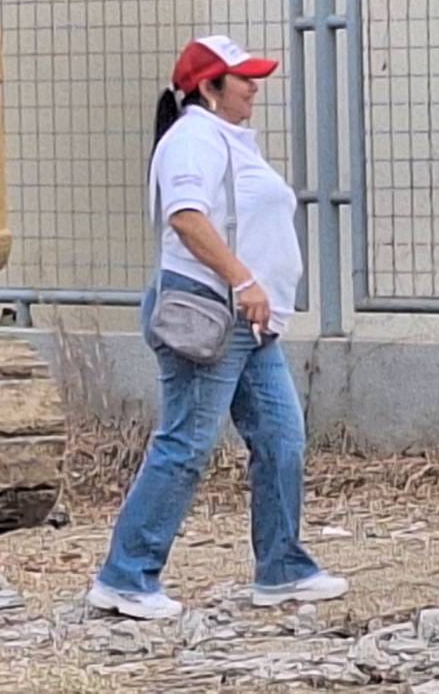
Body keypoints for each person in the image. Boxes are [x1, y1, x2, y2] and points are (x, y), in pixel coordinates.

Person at [88, 36, 348, 620]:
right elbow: (186, 217)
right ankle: (126, 576)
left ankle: (282, 568)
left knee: (281, 439)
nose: (254, 87)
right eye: (242, 78)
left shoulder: (223, 139)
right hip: (213, 315)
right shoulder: (194, 140)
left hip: (247, 322)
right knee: (185, 445)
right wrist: (243, 280)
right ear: (208, 87)